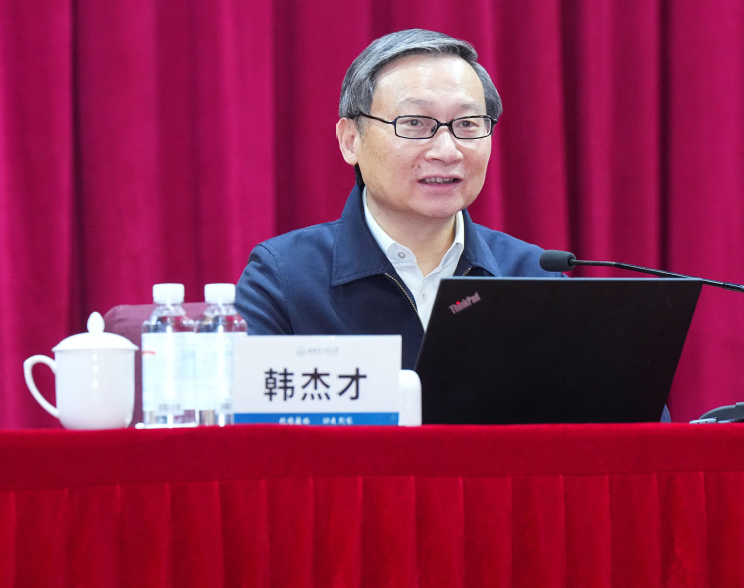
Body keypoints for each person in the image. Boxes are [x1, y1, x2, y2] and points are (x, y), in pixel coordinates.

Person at [235, 28, 559, 368]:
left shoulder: (533, 277)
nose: (446, 151)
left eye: (467, 123)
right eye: (415, 122)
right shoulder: (284, 279)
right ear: (350, 141)